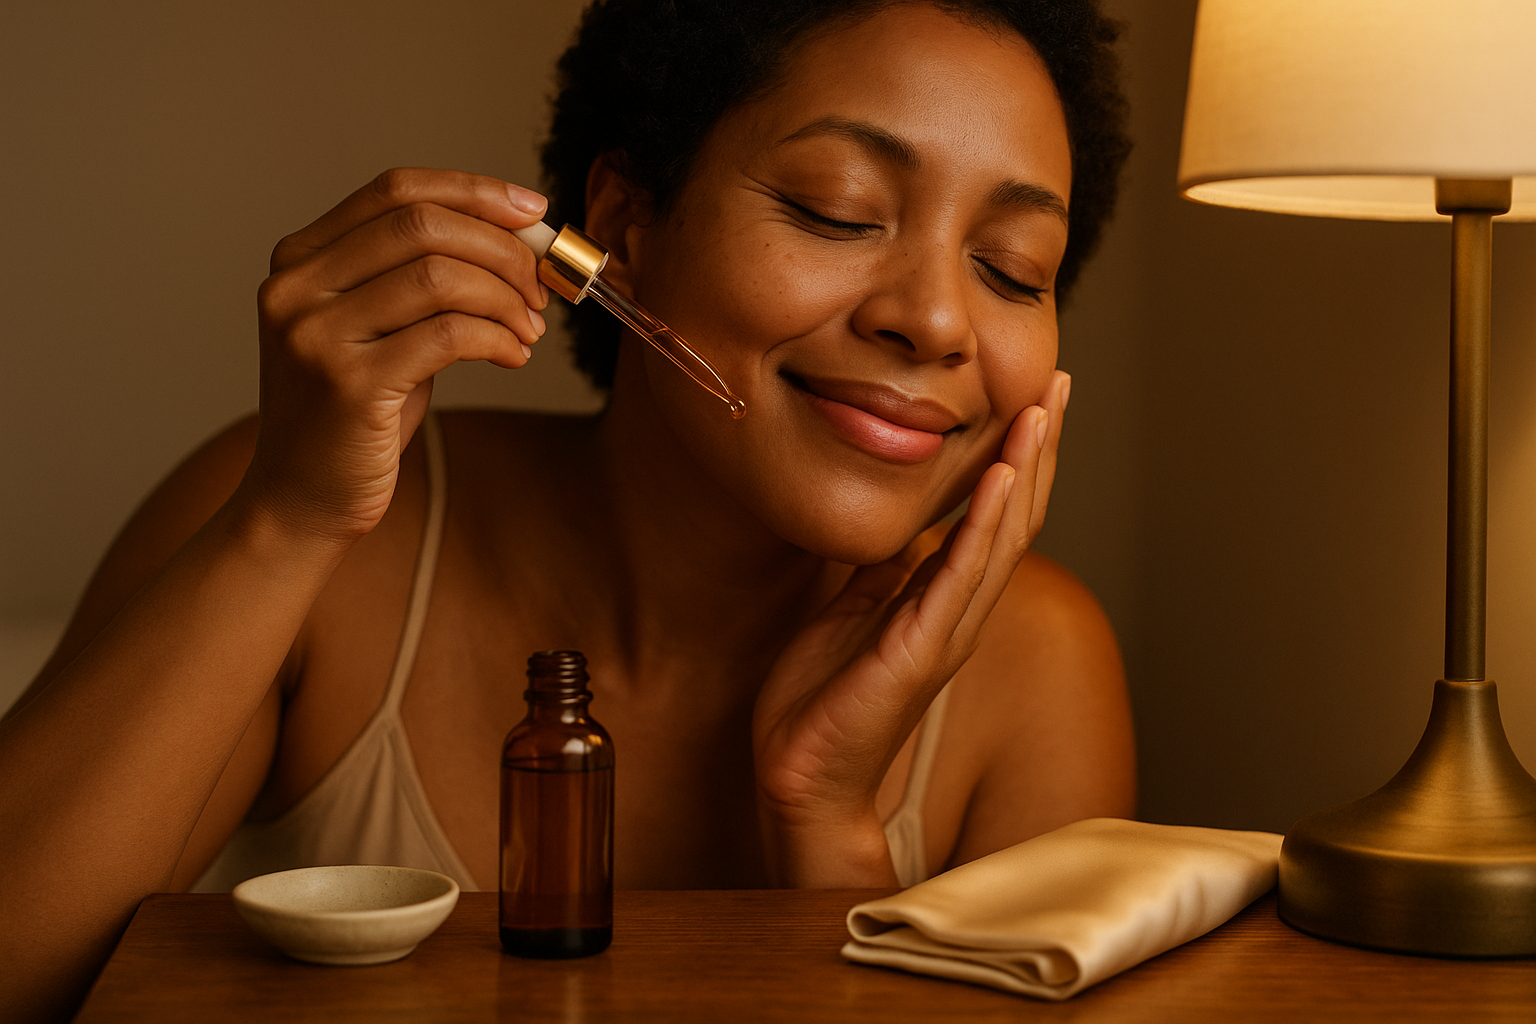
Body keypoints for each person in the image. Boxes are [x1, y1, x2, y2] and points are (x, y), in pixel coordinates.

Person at [0, 0, 1135, 1018]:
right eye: (837, 211)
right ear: (623, 229)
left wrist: (828, 820)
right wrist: (285, 521)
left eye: (1013, 268)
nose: (936, 319)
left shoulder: (1039, 668)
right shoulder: (309, 519)